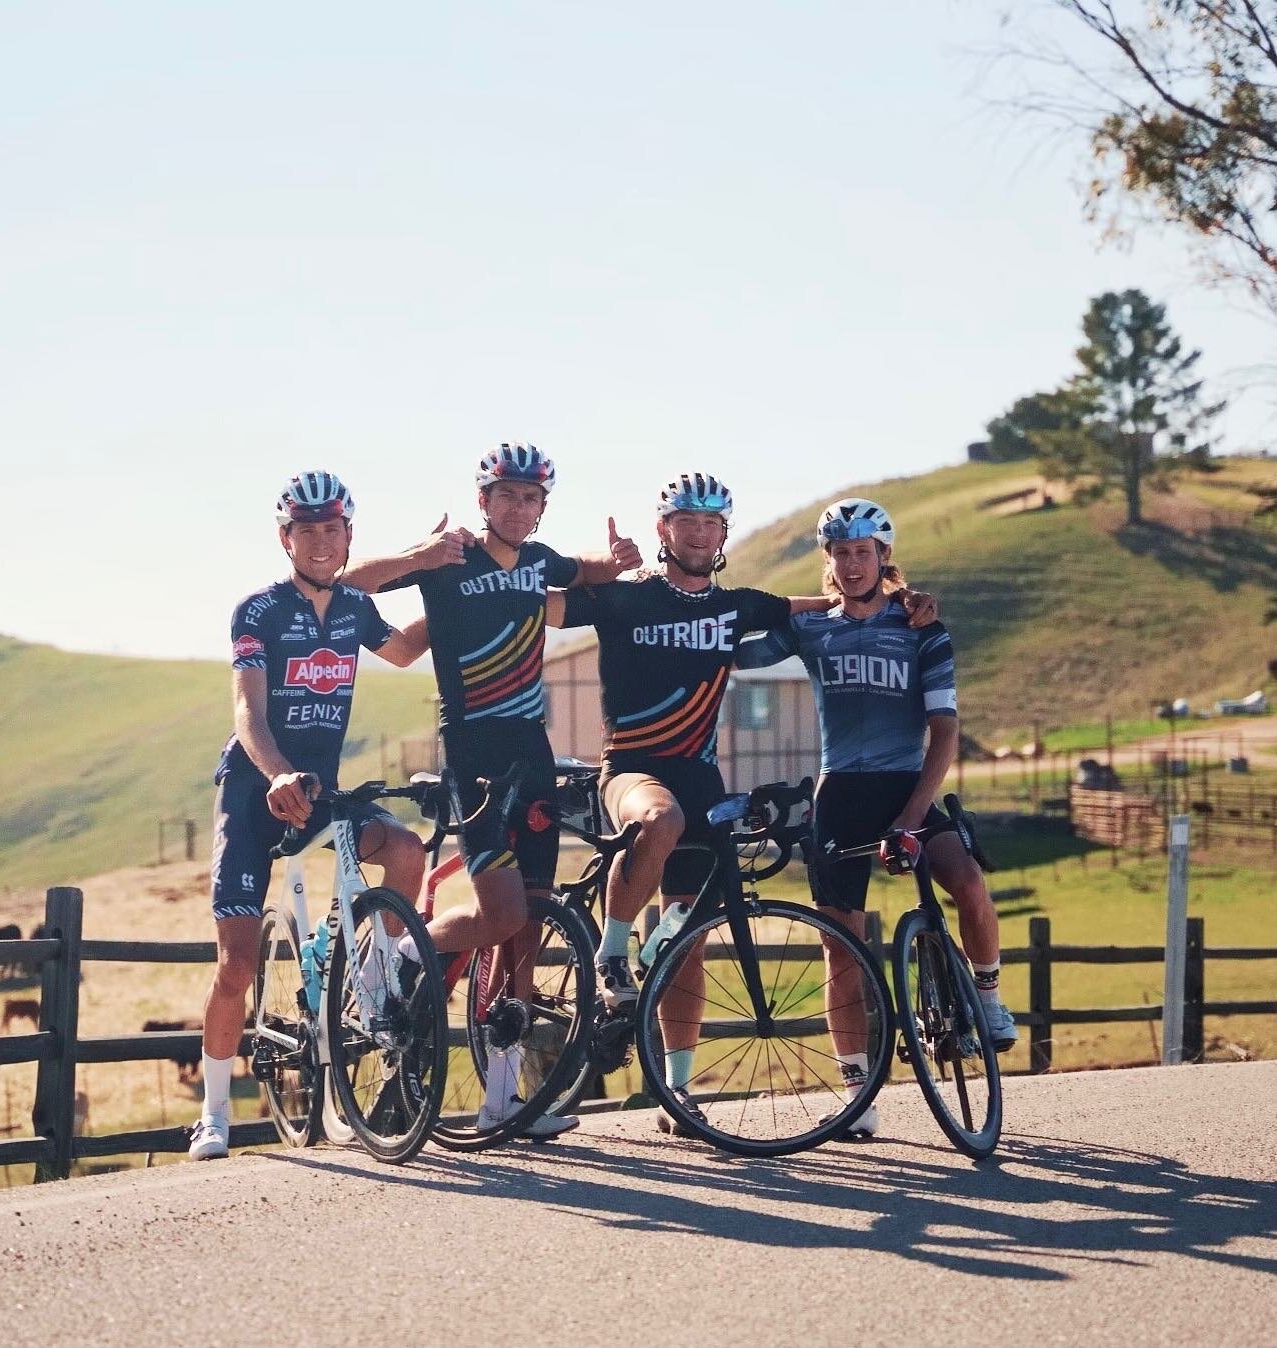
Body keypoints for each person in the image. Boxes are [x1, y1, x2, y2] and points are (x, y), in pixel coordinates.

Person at [544, 472, 934, 1137]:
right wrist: (590, 571)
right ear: (664, 529)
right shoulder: (621, 600)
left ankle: (678, 1091)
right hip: (632, 771)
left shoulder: (737, 606)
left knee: (687, 942)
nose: (698, 534)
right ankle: (613, 952)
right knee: (659, 820)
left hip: (702, 778)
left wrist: (903, 600)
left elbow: (826, 605)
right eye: (685, 522)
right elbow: (538, 609)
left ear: (723, 535)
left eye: (711, 524)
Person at [346, 443, 642, 1137]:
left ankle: (504, 1098)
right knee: (503, 913)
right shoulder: (449, 561)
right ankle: (417, 951)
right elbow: (350, 584)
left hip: (531, 754)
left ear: (542, 508)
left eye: (530, 497)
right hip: (473, 754)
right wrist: (418, 555)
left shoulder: (540, 566)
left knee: (530, 926)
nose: (517, 506)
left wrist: (620, 561)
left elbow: (589, 571)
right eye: (505, 495)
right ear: (482, 501)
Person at [191, 471, 454, 1162]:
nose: (320, 541)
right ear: (286, 538)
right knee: (236, 966)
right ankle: (213, 1113)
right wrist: (275, 771)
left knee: (404, 850)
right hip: (256, 795)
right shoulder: (258, 610)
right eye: (305, 530)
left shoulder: (352, 608)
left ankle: (372, 977)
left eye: (331, 529)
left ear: (347, 535)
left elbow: (402, 651)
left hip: (323, 793)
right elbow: (248, 708)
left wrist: (451, 594)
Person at [736, 495, 1018, 1138]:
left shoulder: (923, 629)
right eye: (840, 553)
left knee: (968, 882)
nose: (852, 563)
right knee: (842, 946)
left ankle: (990, 997)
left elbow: (944, 733)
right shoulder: (812, 630)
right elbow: (737, 655)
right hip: (840, 794)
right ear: (829, 561)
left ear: (883, 556)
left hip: (906, 786)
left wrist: (913, 817)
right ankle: (858, 1090)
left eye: (863, 552)